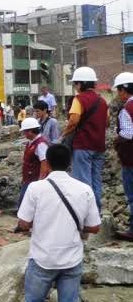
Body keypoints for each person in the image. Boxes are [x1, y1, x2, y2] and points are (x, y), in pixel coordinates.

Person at [15, 144, 101, 302]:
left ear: (48, 163)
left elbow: (23, 222)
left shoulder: (36, 188)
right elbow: (95, 226)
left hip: (42, 257)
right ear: (71, 163)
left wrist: (38, 223)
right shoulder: (84, 189)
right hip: (71, 259)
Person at [61, 66, 109, 211]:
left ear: (80, 84)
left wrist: (65, 133)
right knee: (96, 181)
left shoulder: (79, 99)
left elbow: (74, 119)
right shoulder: (102, 101)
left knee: (82, 181)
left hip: (83, 145)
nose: (75, 87)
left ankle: (85, 213)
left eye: (75, 84)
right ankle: (96, 212)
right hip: (99, 146)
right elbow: (106, 122)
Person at [112, 72, 133, 241]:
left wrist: (116, 139)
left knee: (132, 195)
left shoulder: (127, 109)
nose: (118, 95)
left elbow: (128, 133)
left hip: (130, 159)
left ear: (124, 90)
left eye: (118, 91)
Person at [18, 118, 51, 207]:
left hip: (34, 179)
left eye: (24, 131)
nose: (23, 134)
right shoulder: (31, 142)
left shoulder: (40, 144)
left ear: (30, 131)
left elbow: (44, 163)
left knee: (26, 204)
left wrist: (40, 181)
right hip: (29, 178)